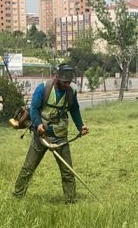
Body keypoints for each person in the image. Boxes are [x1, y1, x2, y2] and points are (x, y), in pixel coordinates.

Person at [12, 64, 90, 203]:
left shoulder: (71, 92)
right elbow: (34, 109)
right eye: (64, 82)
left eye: (68, 82)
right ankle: (17, 196)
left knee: (67, 171)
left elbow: (75, 110)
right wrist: (38, 124)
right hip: (41, 136)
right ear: (57, 78)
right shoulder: (43, 88)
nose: (66, 84)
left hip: (60, 135)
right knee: (28, 167)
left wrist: (81, 126)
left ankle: (70, 200)